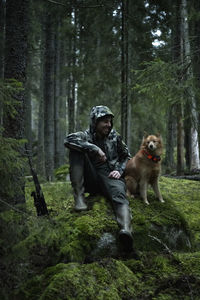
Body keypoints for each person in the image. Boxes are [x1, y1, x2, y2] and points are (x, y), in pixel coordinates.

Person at [64, 105, 133, 250]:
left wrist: (119, 170)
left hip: (110, 175)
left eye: (109, 121)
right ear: (95, 122)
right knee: (75, 151)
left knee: (119, 195)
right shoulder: (85, 135)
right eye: (104, 121)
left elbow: (126, 156)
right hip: (92, 178)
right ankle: (79, 199)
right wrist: (94, 148)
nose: (108, 125)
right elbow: (68, 140)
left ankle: (126, 230)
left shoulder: (115, 137)